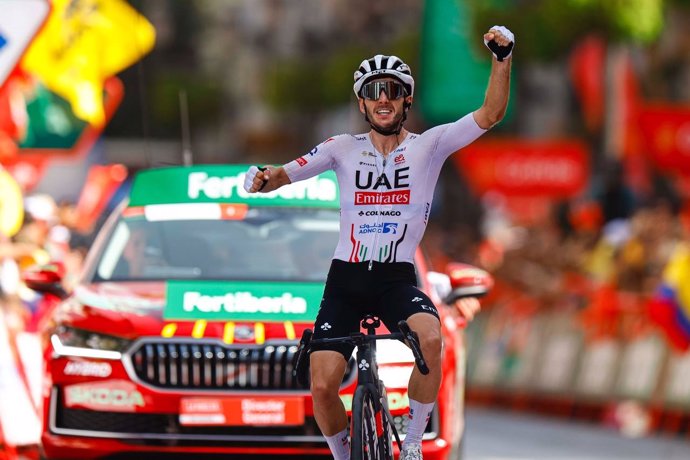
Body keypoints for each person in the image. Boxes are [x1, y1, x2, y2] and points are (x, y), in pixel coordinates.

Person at [244, 26, 514, 460]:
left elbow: (490, 114)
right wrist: (260, 178)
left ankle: (409, 446)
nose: (383, 99)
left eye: (392, 91)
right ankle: (342, 453)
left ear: (407, 99)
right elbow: (283, 173)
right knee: (322, 384)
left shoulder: (431, 145)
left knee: (431, 338)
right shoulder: (341, 148)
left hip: (395, 279)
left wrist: (502, 59)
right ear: (362, 103)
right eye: (374, 93)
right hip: (346, 279)